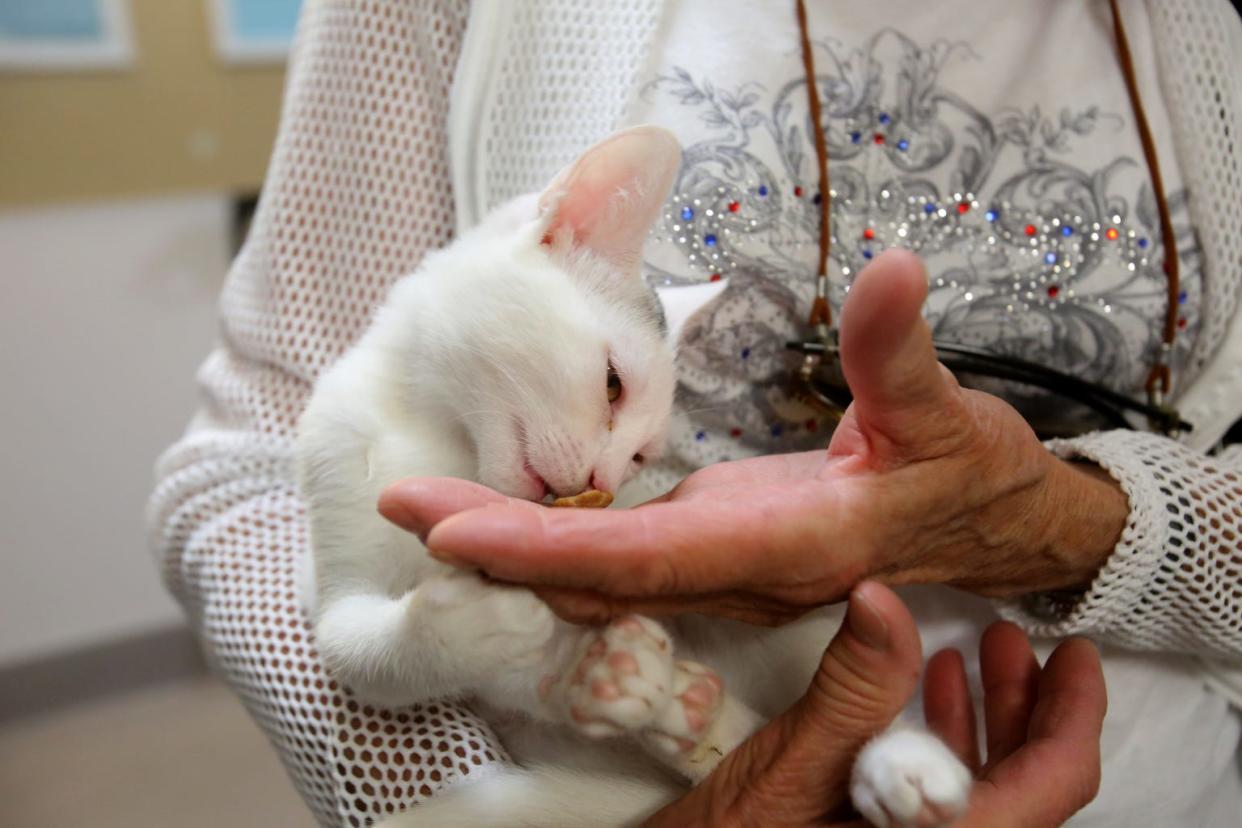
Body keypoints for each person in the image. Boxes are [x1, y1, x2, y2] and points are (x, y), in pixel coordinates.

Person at [148, 1, 1242, 825]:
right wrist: (446, 799)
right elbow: (238, 474)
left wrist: (1056, 519)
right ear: (561, 227)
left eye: (632, 435)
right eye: (618, 400)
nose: (609, 476)